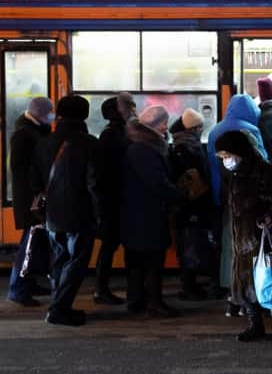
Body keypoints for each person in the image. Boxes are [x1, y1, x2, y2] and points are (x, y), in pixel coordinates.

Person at [215, 130, 272, 342]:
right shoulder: (232, 173)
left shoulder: (263, 171)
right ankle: (254, 323)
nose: (225, 161)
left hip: (260, 235)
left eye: (227, 155)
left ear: (239, 152)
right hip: (240, 238)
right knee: (245, 281)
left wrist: (268, 216)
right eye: (222, 157)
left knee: (266, 279)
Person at [31, 95, 102, 326]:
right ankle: (59, 309)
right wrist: (100, 214)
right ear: (84, 115)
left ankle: (58, 303)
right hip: (79, 213)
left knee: (60, 259)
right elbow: (94, 184)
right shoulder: (89, 143)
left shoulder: (44, 142)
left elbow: (36, 180)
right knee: (76, 262)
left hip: (52, 214)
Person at [206, 94, 267, 316]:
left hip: (222, 195)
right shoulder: (251, 130)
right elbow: (262, 161)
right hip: (246, 201)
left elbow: (212, 166)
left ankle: (231, 292)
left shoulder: (214, 130)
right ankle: (247, 298)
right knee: (247, 248)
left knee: (227, 244)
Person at [121, 105, 184, 318]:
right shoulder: (146, 149)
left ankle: (137, 300)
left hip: (137, 212)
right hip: (147, 213)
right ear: (158, 125)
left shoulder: (138, 145)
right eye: (165, 123)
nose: (167, 127)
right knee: (153, 260)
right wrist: (178, 195)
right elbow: (157, 182)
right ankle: (154, 304)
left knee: (138, 260)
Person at [170, 108, 221, 300]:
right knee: (191, 245)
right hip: (192, 205)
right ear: (193, 128)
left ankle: (190, 283)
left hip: (189, 205)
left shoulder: (183, 144)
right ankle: (188, 286)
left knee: (191, 244)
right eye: (200, 127)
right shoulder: (187, 148)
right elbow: (193, 179)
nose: (202, 130)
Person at [8, 97, 54, 307]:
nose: (52, 117)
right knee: (28, 245)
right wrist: (36, 190)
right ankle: (18, 288)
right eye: (49, 113)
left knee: (32, 243)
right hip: (31, 200)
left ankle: (28, 282)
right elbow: (20, 169)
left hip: (34, 198)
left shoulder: (33, 130)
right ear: (41, 113)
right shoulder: (24, 134)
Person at [93, 92, 136, 305]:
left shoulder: (116, 133)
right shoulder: (111, 135)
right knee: (109, 245)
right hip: (111, 200)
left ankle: (103, 288)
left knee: (110, 245)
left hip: (115, 198)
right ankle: (101, 289)